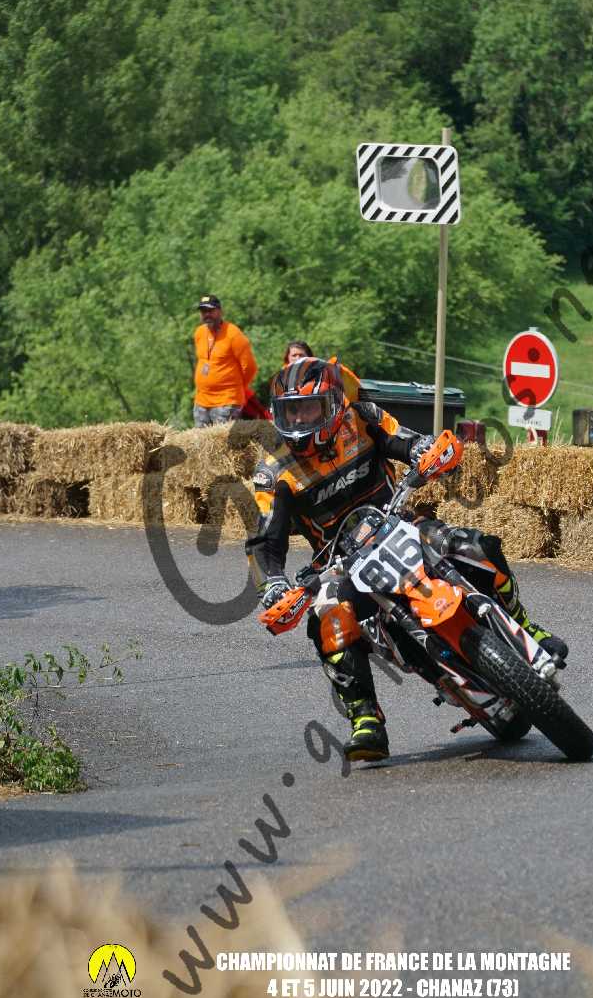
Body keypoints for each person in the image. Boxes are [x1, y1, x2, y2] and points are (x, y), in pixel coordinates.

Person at [246, 358, 567, 763]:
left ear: (333, 405)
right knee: (327, 617)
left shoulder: (362, 418)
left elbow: (406, 440)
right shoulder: (273, 473)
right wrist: (273, 585)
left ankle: (524, 625)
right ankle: (365, 719)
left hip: (401, 524)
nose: (298, 419)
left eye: (307, 408)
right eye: (290, 411)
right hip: (344, 562)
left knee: (479, 547)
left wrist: (426, 451)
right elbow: (264, 542)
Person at [193, 296, 258, 427]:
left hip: (227, 401)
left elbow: (250, 367)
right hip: (201, 401)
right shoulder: (199, 333)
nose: (207, 314)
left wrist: (236, 387)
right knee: (199, 440)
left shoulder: (233, 334)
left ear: (220, 311)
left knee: (223, 440)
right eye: (203, 311)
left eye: (210, 310)